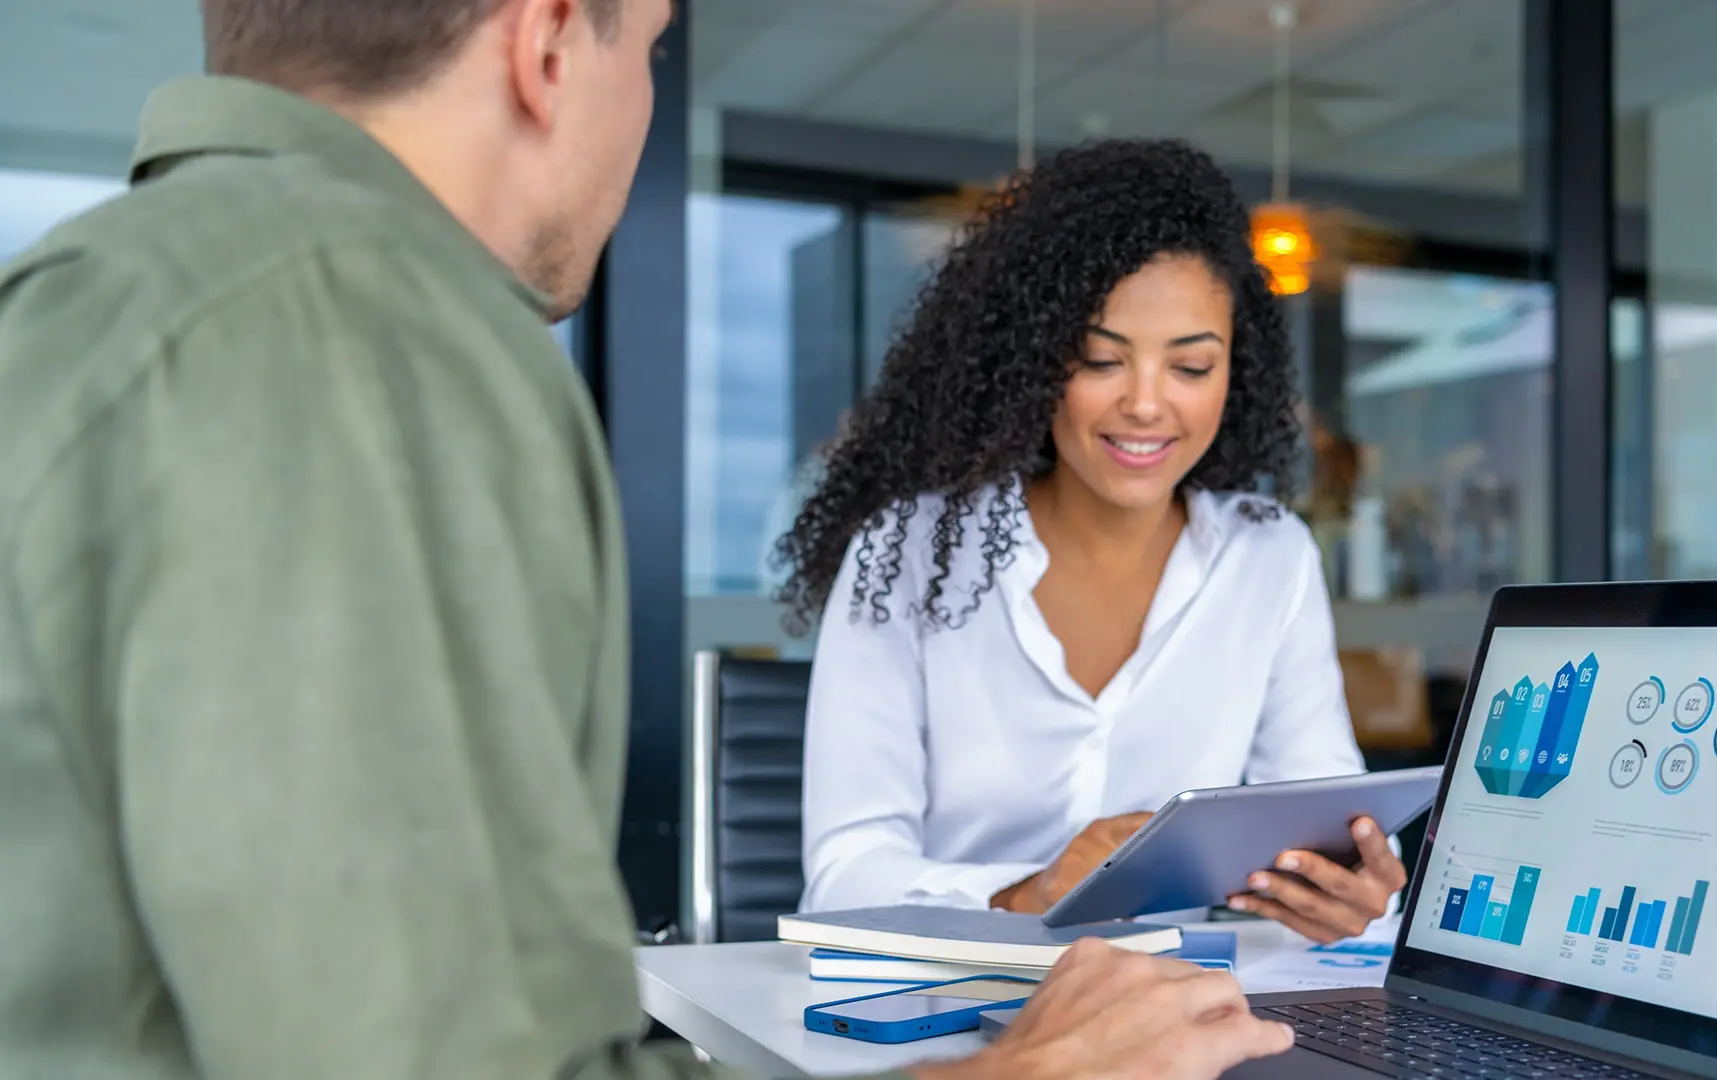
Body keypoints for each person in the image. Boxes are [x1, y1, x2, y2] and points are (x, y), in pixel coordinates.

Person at [0, 2, 1295, 1078]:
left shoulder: (119, 298)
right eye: (655, 52)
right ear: (552, 41)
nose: (646, 109)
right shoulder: (344, 331)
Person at [777, 140, 1408, 943]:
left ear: (1233, 376)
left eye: (1190, 367)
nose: (1146, 405)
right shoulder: (905, 554)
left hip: (1174, 1015)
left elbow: (1331, 816)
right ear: (1035, 363)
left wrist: (1355, 889)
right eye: (1102, 359)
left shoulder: (1269, 557)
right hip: (939, 1016)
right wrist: (1030, 893)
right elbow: (843, 878)